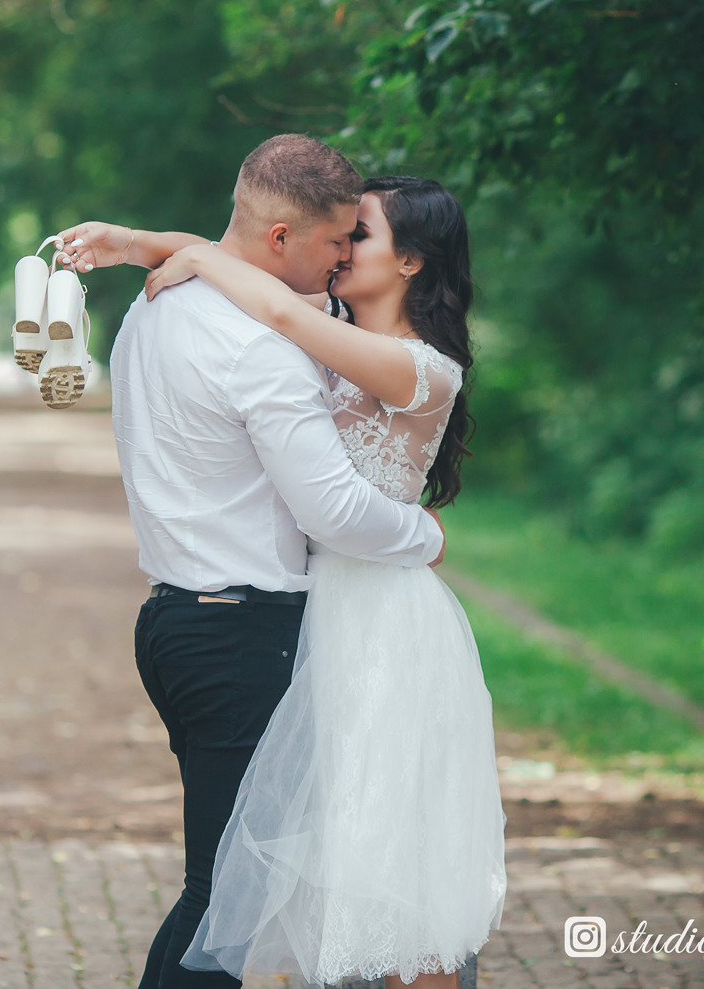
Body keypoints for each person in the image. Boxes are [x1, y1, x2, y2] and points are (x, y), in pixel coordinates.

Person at [58, 165, 506, 989]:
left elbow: (262, 289)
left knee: (390, 870)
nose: (340, 251)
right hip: (314, 616)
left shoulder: (421, 367)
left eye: (358, 235)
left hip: (380, 622)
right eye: (336, 236)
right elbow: (260, 261)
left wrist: (418, 538)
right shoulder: (328, 315)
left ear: (411, 261)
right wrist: (136, 245)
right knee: (308, 871)